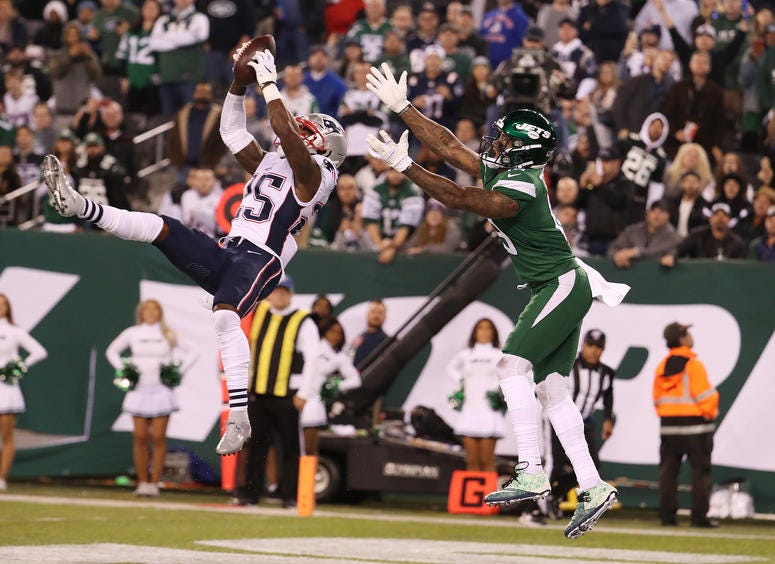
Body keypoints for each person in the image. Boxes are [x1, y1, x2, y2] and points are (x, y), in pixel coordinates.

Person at [365, 63, 629, 538]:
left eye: (506, 140)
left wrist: (405, 166)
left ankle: (531, 469)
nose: (497, 145)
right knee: (551, 390)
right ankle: (593, 486)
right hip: (557, 284)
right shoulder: (516, 172)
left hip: (560, 283)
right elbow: (451, 147)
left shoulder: (521, 186)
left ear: (522, 149)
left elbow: (459, 197)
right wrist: (404, 109)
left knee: (510, 367)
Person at [41, 46, 345, 455]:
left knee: (225, 316)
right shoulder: (275, 162)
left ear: (325, 148)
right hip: (229, 249)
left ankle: (239, 417)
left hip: (262, 259)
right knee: (162, 227)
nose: (298, 132)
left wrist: (270, 83)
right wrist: (237, 85)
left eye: (309, 131)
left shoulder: (317, 176)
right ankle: (79, 206)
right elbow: (231, 134)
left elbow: (288, 135)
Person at [236, 276, 319, 507]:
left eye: (284, 291)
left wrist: (304, 393)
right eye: (276, 290)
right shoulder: (259, 312)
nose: (280, 295)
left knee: (290, 448)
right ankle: (250, 494)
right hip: (258, 394)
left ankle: (289, 496)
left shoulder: (303, 320)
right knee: (256, 446)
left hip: (286, 396)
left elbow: (313, 358)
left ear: (291, 294)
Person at [105, 299, 197, 496]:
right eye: (147, 309)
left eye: (155, 309)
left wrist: (178, 371)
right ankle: (142, 483)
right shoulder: (132, 333)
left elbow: (194, 352)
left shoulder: (168, 333)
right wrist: (123, 369)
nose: (151, 313)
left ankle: (154, 484)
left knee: (158, 437)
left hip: (162, 391)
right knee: (140, 437)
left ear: (159, 313)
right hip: (139, 391)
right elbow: (111, 351)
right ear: (141, 313)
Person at [654, 322, 719, 528]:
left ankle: (667, 517)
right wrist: (710, 413)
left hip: (669, 427)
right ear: (682, 338)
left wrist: (670, 414)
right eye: (687, 333)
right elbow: (706, 397)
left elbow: (657, 399)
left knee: (668, 473)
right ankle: (699, 518)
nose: (690, 336)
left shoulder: (662, 367)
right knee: (700, 474)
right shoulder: (693, 365)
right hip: (696, 427)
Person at [549, 329, 615, 513]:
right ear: (583, 345)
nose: (594, 350)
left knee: (591, 467)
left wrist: (607, 419)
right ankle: (532, 508)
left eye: (598, 347)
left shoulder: (606, 373)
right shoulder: (568, 365)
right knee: (555, 465)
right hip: (560, 422)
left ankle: (556, 494)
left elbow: (608, 395)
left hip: (583, 423)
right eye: (590, 345)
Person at [0, 294, 47, 492]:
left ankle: (1, 478)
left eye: (3, 304)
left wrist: (18, 368)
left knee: (7, 435)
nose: (0, 307)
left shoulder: (14, 331)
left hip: (7, 389)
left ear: (8, 308)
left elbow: (39, 352)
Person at [446, 318, 504, 472]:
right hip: (469, 411)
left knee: (487, 461)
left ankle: (490, 489)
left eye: (488, 328)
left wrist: (497, 389)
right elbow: (451, 368)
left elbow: (508, 373)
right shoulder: (466, 354)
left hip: (489, 412)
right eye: (480, 328)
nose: (484, 331)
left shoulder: (499, 354)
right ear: (475, 332)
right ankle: (472, 489)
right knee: (471, 462)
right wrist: (461, 381)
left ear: (493, 333)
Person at [298, 317, 361, 456]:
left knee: (309, 448)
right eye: (332, 331)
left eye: (339, 333)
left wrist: (335, 386)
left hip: (313, 402)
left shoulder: (338, 357)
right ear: (324, 331)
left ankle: (309, 471)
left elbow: (356, 380)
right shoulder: (310, 346)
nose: (336, 336)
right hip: (295, 396)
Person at [661, 202, 747, 265]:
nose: (720, 219)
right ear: (711, 219)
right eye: (717, 215)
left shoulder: (737, 242)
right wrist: (671, 256)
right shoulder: (697, 236)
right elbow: (679, 249)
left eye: (724, 216)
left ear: (729, 220)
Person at [607, 200, 682, 268]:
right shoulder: (632, 231)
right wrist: (618, 256)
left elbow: (657, 252)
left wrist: (636, 252)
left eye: (661, 212)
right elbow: (613, 248)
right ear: (647, 214)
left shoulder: (674, 237)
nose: (656, 215)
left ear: (668, 216)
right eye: (653, 211)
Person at [351, 299, 387, 368]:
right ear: (367, 314)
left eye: (380, 313)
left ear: (385, 316)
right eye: (373, 311)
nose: (376, 315)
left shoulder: (388, 342)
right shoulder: (358, 339)